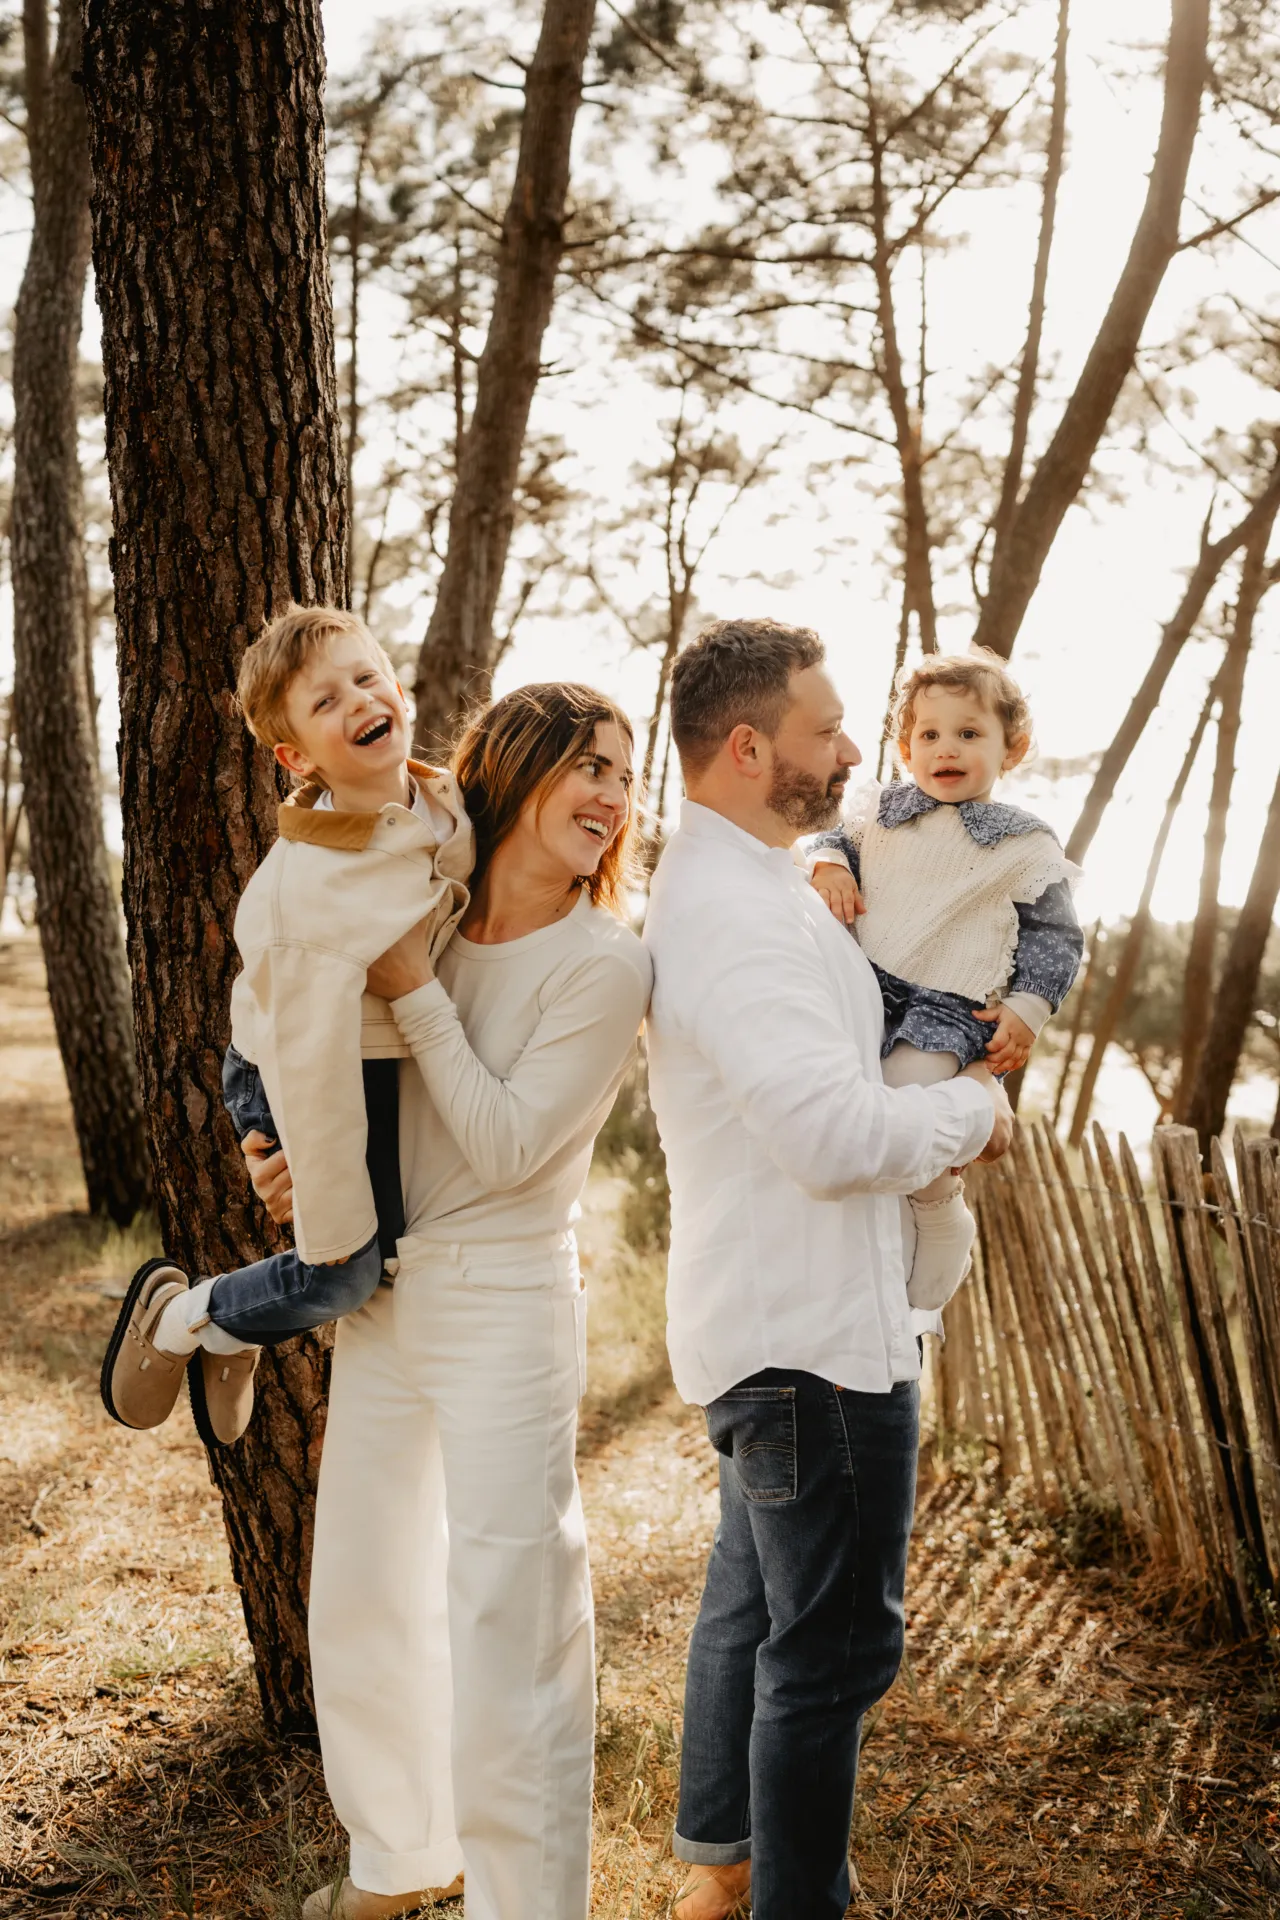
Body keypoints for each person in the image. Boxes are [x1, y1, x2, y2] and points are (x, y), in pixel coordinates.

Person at [243, 683, 652, 1920]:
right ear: (514, 770)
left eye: (623, 778)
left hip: (505, 1311)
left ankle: (526, 1906)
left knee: (510, 1611)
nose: (608, 796)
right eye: (586, 765)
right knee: (362, 1592)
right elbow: (339, 1082)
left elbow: (509, 1144)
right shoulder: (427, 910)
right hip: (386, 1293)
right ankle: (401, 1856)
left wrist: (413, 986)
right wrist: (288, 1161)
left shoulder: (603, 961)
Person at [641, 618, 1013, 1920]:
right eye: (828, 727)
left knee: (753, 1613)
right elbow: (831, 1136)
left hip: (776, 1326)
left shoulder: (758, 888)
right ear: (749, 749)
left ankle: (722, 1866)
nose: (859, 749)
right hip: (815, 1345)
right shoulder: (740, 918)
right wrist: (972, 1113)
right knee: (837, 1648)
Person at [100, 605, 472, 1449]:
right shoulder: (302, 891)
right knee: (348, 1274)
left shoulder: (449, 805)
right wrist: (330, 1220)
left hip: (375, 1057)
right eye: (326, 702)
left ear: (399, 686)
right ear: (296, 757)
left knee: (391, 1254)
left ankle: (239, 1331)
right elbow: (313, 1065)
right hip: (291, 1069)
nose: (359, 702)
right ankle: (192, 1317)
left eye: (366, 678)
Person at [808, 649, 1082, 1309]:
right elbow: (828, 839)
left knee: (909, 1094)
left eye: (969, 733)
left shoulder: (1023, 842)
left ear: (1009, 749)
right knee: (854, 1102)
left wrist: (1026, 1009)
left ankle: (939, 1205)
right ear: (906, 747)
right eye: (929, 734)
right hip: (866, 986)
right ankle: (878, 1244)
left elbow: (1057, 936)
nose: (946, 748)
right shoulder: (882, 811)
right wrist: (828, 866)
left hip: (950, 1003)